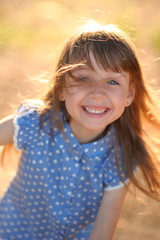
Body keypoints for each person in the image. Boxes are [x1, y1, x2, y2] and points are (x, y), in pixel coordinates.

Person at [0, 21, 160, 240]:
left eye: (112, 81)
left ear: (129, 95)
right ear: (61, 88)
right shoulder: (35, 123)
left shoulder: (119, 156)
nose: (97, 92)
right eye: (83, 78)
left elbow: (103, 231)